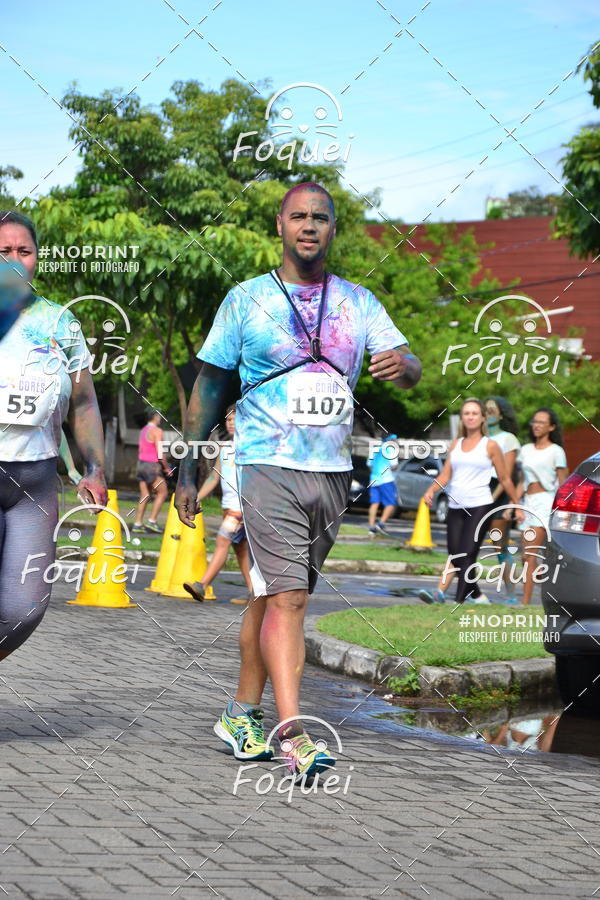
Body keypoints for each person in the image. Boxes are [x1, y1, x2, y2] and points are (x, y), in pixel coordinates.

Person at [175, 182, 421, 778]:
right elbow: (210, 385)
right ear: (280, 226)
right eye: (298, 216)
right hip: (265, 465)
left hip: (332, 474)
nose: (309, 225)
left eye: (321, 217)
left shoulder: (359, 303)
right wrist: (187, 466)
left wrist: (404, 367)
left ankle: (240, 712)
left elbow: (409, 365)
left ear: (333, 229)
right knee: (290, 598)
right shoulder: (247, 299)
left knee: (272, 596)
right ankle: (294, 734)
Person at [0, 211, 107, 661]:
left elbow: (83, 402)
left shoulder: (60, 323)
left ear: (37, 259)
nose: (13, 260)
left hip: (36, 482)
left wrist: (94, 467)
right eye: (3, 251)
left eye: (23, 251)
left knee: (23, 609)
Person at [420, 398, 522, 605]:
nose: (470, 417)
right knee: (454, 554)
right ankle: (476, 594)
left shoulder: (490, 445)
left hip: (480, 505)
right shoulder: (456, 444)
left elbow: (505, 478)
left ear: (483, 417)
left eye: (475, 413)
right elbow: (445, 474)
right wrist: (430, 490)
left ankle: (457, 602)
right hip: (456, 505)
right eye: (466, 413)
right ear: (462, 417)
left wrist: (516, 504)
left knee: (467, 554)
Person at [183, 405, 253, 605]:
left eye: (235, 420)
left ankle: (202, 586)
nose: (231, 424)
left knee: (223, 541)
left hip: (240, 508)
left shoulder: (249, 447)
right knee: (240, 549)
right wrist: (196, 498)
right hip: (227, 505)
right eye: (228, 420)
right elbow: (214, 477)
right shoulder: (224, 448)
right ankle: (253, 593)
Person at [514, 408, 567, 606]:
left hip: (545, 504)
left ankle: (524, 603)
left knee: (530, 556)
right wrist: (515, 505)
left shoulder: (556, 451)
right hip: (527, 504)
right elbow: (521, 481)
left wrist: (561, 510)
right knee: (525, 557)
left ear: (551, 427)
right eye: (534, 421)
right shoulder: (525, 449)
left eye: (542, 422)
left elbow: (564, 484)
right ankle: (547, 579)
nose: (536, 425)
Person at [484, 396, 521, 604]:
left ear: (500, 414)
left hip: (497, 494)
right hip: (477, 491)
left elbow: (505, 475)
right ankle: (464, 592)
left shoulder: (508, 439)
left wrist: (491, 499)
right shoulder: (478, 437)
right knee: (466, 544)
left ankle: (511, 594)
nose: (488, 414)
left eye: (492, 410)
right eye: (485, 410)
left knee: (499, 546)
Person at [132, 409, 170, 533]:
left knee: (145, 495)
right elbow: (160, 453)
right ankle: (152, 521)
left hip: (141, 465)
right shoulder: (157, 431)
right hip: (151, 466)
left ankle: (137, 524)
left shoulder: (143, 431)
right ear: (155, 417)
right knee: (163, 492)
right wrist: (166, 467)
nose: (160, 418)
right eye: (159, 416)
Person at [367, 433, 398, 537]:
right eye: (394, 439)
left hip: (374, 479)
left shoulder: (374, 449)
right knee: (391, 504)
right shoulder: (391, 449)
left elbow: (369, 465)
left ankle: (371, 527)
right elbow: (394, 466)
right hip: (386, 480)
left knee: (374, 503)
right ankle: (380, 524)